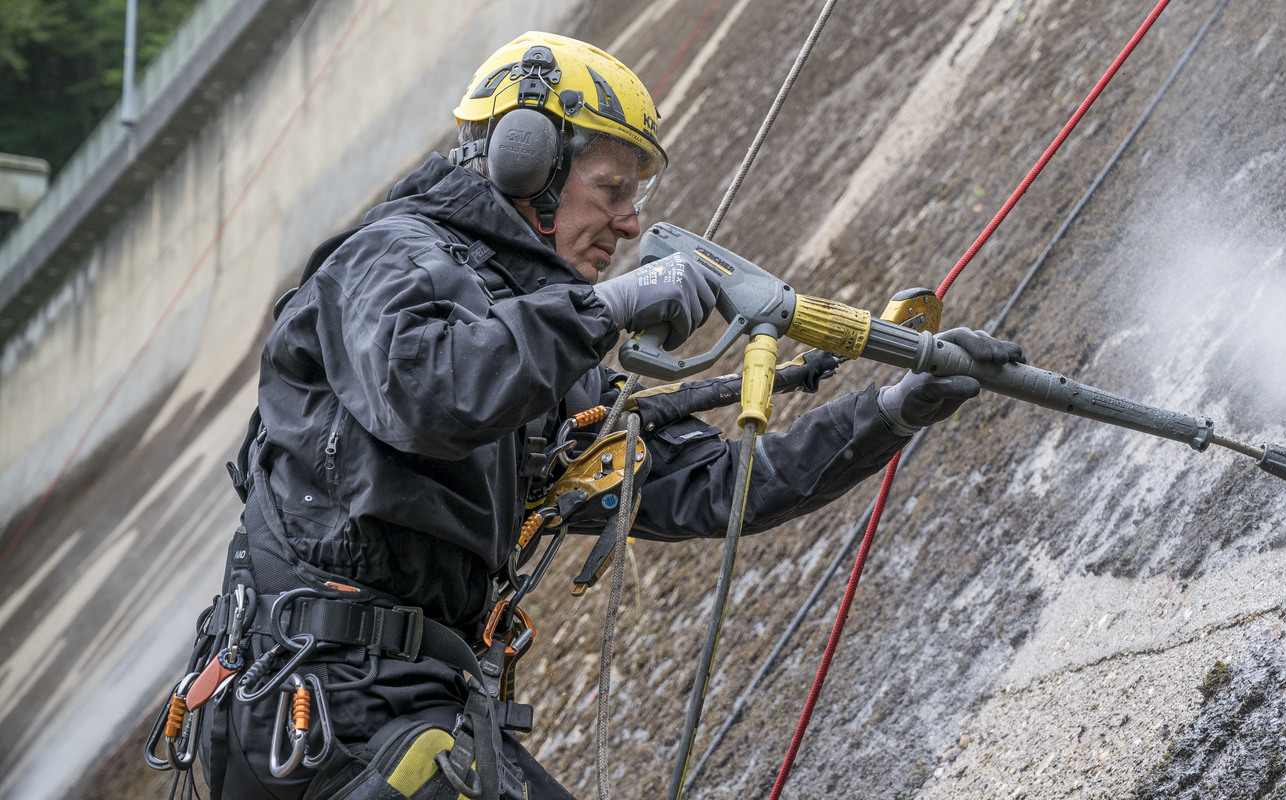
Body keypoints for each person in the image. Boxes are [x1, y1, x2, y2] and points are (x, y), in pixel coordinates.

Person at [176, 31, 1024, 800]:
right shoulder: (388, 259)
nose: (630, 222)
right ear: (526, 161)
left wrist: (891, 413)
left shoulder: (541, 348)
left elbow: (712, 487)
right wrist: (607, 309)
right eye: (612, 189)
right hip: (319, 705)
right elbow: (430, 394)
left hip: (399, 707)